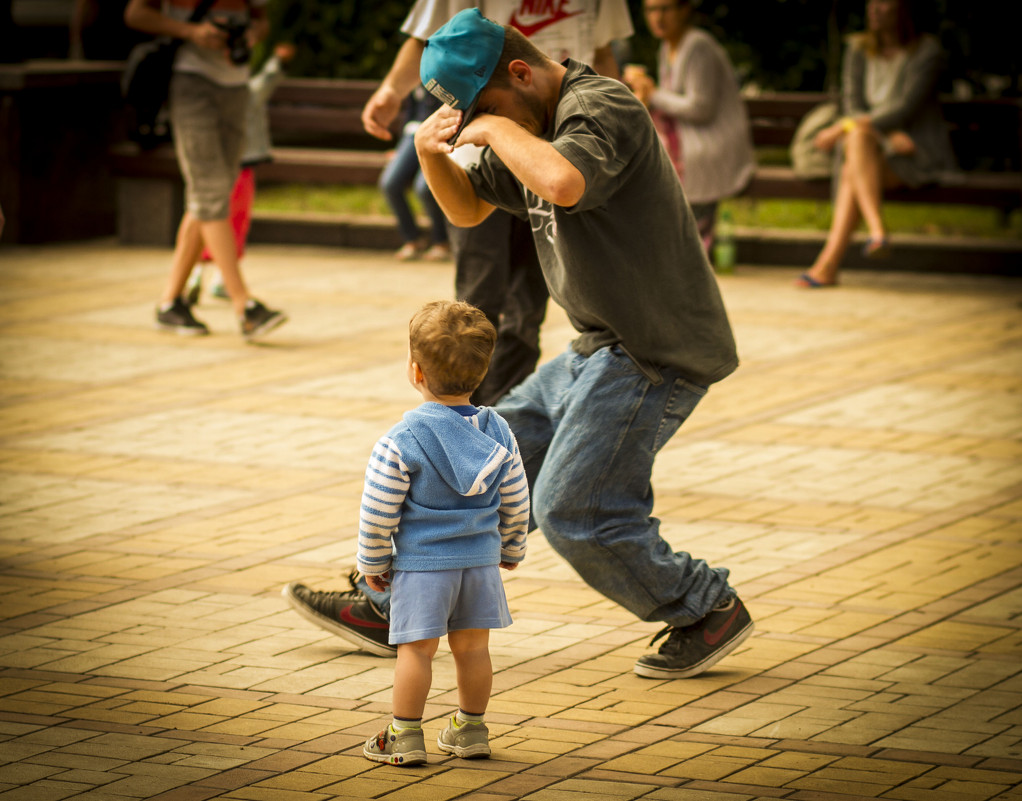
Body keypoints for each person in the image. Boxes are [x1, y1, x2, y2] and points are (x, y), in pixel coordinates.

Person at [286, 10, 752, 681]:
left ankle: (706, 606)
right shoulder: (524, 123)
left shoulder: (602, 107)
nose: (485, 129)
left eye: (491, 109)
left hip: (655, 351)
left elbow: (564, 182)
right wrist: (429, 154)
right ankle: (390, 604)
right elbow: (470, 208)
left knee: (573, 509)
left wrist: (495, 127)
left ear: (522, 73)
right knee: (473, 464)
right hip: (597, 348)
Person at [360, 0, 633, 406]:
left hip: (555, 153)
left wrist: (612, 139)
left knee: (527, 310)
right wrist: (391, 92)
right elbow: (425, 39)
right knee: (478, 304)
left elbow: (602, 51)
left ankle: (504, 420)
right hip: (479, 164)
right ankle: (467, 415)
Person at [356, 300, 529, 766]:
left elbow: (378, 513)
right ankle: (470, 729)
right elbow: (516, 499)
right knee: (474, 650)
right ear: (483, 371)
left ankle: (404, 736)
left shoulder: (400, 439)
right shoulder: (500, 432)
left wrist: (372, 563)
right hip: (479, 563)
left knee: (416, 653)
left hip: (422, 567)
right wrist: (512, 546)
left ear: (416, 371)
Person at [124, 0, 287, 340]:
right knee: (211, 192)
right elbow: (135, 13)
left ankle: (170, 303)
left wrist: (254, 33)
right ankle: (245, 307)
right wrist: (191, 31)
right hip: (190, 81)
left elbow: (262, 19)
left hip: (236, 84)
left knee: (208, 196)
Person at [796, 0, 956, 288]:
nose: (875, 8)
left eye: (884, 1)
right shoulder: (858, 48)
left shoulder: (926, 51)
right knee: (857, 142)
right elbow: (852, 104)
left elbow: (906, 107)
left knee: (852, 166)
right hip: (873, 148)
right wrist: (877, 133)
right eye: (871, 2)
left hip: (913, 152)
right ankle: (876, 231)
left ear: (904, 8)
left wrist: (860, 129)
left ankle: (830, 264)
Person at [625, 0, 754, 256]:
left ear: (684, 10)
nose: (657, 17)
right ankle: (666, 246)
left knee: (652, 155)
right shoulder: (667, 47)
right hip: (686, 137)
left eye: (665, 9)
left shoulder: (698, 46)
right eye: (651, 10)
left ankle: (688, 250)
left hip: (713, 141)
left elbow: (700, 109)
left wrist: (652, 93)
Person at [185, 42, 296, 305]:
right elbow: (267, 80)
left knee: (203, 216)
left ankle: (197, 276)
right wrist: (279, 61)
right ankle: (224, 283)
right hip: (241, 167)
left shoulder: (205, 97)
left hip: (216, 167)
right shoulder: (245, 92)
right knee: (233, 221)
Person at [380, 87, 452, 262]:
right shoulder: (415, 72)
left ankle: (441, 241)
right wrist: (399, 149)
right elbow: (410, 112)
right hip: (412, 135)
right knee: (389, 184)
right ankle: (413, 239)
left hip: (440, 132)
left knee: (424, 188)